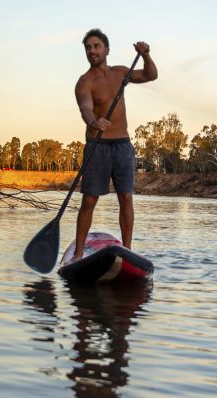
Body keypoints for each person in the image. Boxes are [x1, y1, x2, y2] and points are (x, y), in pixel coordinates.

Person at [71, 28, 158, 262]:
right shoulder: (84, 82)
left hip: (122, 145)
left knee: (126, 197)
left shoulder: (121, 73)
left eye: (96, 46)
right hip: (97, 146)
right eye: (88, 47)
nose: (92, 51)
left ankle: (127, 249)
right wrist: (93, 121)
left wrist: (147, 54)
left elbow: (151, 75)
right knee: (89, 200)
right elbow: (85, 108)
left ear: (106, 50)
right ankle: (78, 253)